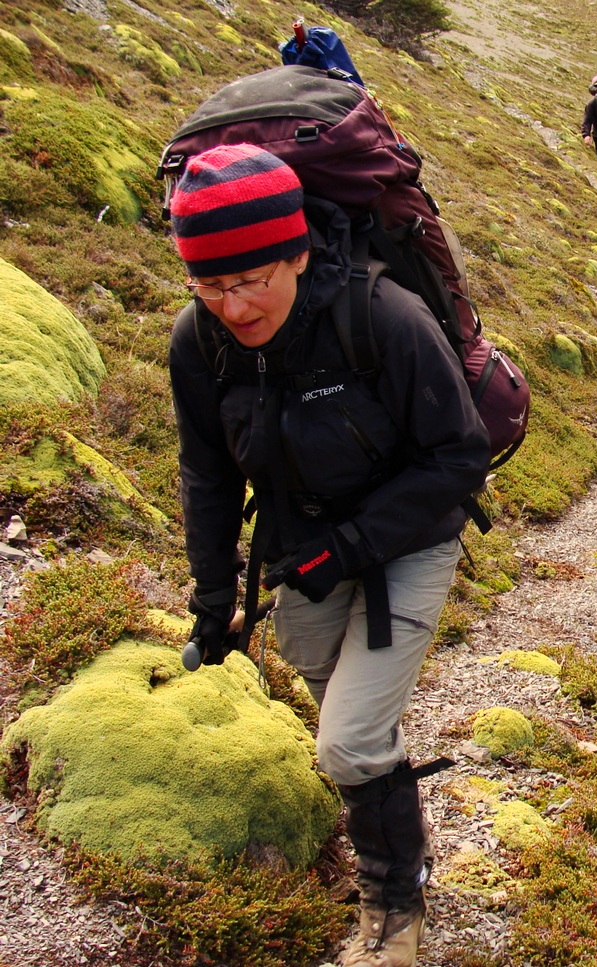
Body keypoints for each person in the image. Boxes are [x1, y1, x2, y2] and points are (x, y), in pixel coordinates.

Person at [167, 143, 491, 967]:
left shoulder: (381, 316)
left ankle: (396, 905)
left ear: (298, 251)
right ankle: (385, 796)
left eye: (250, 281)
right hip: (305, 544)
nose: (233, 306)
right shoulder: (198, 340)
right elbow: (207, 475)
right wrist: (212, 604)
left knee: (345, 740)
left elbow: (458, 458)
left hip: (408, 539)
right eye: (210, 285)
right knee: (334, 693)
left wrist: (348, 546)